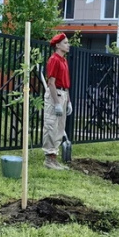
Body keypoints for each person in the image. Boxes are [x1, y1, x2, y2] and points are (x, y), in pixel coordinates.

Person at [43, 33, 72, 170]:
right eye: (65, 43)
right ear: (58, 45)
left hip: (64, 93)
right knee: (51, 125)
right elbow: (51, 82)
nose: (68, 45)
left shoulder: (64, 60)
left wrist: (68, 101)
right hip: (56, 94)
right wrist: (56, 103)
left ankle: (54, 158)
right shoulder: (54, 59)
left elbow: (66, 83)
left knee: (60, 127)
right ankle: (49, 158)